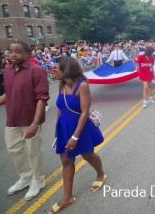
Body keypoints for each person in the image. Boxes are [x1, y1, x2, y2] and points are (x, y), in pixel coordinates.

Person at [0, 41, 49, 200]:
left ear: (27, 54)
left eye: (18, 51)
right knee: (14, 149)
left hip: (30, 119)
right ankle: (26, 176)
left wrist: (35, 124)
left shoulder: (37, 71)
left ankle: (38, 180)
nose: (13, 54)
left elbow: (42, 99)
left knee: (33, 151)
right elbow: (8, 94)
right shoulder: (7, 71)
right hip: (13, 118)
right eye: (10, 51)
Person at [50, 57, 105, 213]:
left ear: (66, 70)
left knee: (88, 155)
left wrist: (74, 137)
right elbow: (60, 109)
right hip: (64, 127)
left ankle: (100, 174)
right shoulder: (61, 86)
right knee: (67, 161)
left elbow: (85, 112)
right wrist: (57, 130)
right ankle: (67, 197)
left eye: (57, 69)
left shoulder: (82, 86)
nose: (54, 72)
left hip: (80, 128)